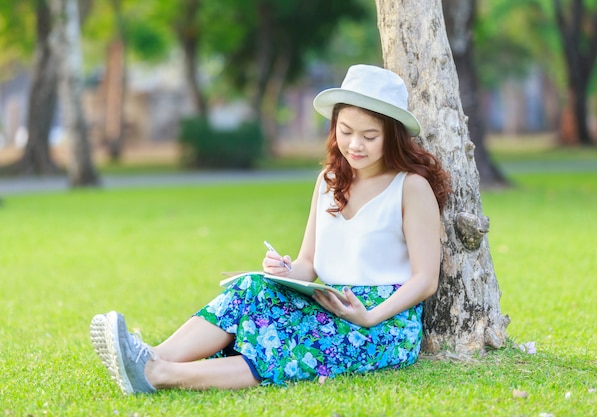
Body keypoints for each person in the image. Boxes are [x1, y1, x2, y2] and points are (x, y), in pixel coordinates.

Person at [90, 64, 451, 394]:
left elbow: (425, 279)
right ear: (334, 128)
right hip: (331, 302)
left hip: (385, 323)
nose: (355, 145)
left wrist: (368, 316)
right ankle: (150, 356)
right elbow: (310, 262)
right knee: (252, 286)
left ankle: (158, 374)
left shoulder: (410, 186)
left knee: (285, 341)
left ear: (393, 136)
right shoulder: (329, 180)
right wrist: (285, 271)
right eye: (346, 131)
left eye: (369, 136)